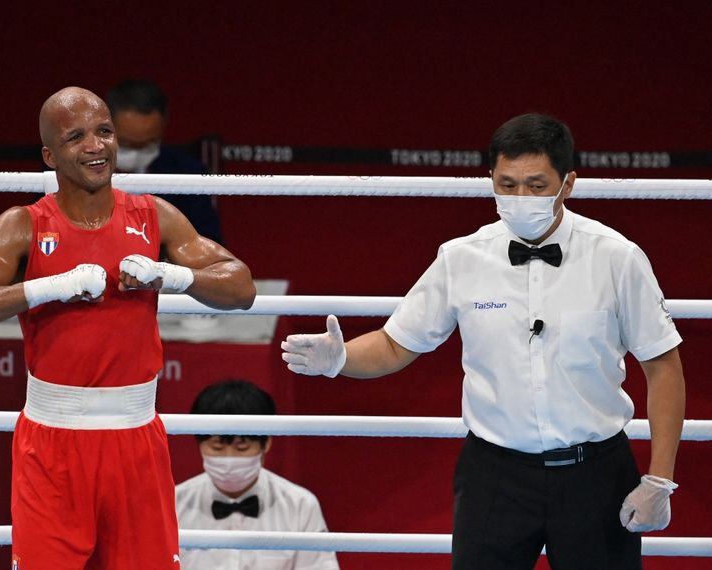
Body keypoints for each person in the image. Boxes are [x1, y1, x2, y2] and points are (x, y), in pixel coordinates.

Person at [281, 113, 685, 569]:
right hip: (495, 474)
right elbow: (396, 345)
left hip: (595, 472)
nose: (519, 197)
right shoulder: (461, 258)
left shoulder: (617, 257)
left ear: (568, 183)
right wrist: (341, 358)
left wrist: (660, 479)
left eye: (535, 185)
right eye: (506, 184)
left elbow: (663, 366)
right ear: (490, 179)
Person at [0, 86, 256, 569]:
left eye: (104, 131)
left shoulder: (153, 216)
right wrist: (43, 288)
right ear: (49, 154)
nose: (95, 145)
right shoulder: (22, 226)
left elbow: (241, 286)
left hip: (135, 439)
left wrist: (171, 275)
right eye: (76, 136)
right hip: (52, 443)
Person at [175, 379, 339, 570]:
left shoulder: (300, 505)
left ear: (266, 442)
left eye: (242, 447)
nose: (229, 458)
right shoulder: (172, 504)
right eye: (217, 446)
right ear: (199, 442)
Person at [106, 78, 223, 244]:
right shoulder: (79, 170)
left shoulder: (187, 172)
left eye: (148, 144)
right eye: (126, 144)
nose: (136, 153)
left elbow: (209, 243)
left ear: (164, 126)